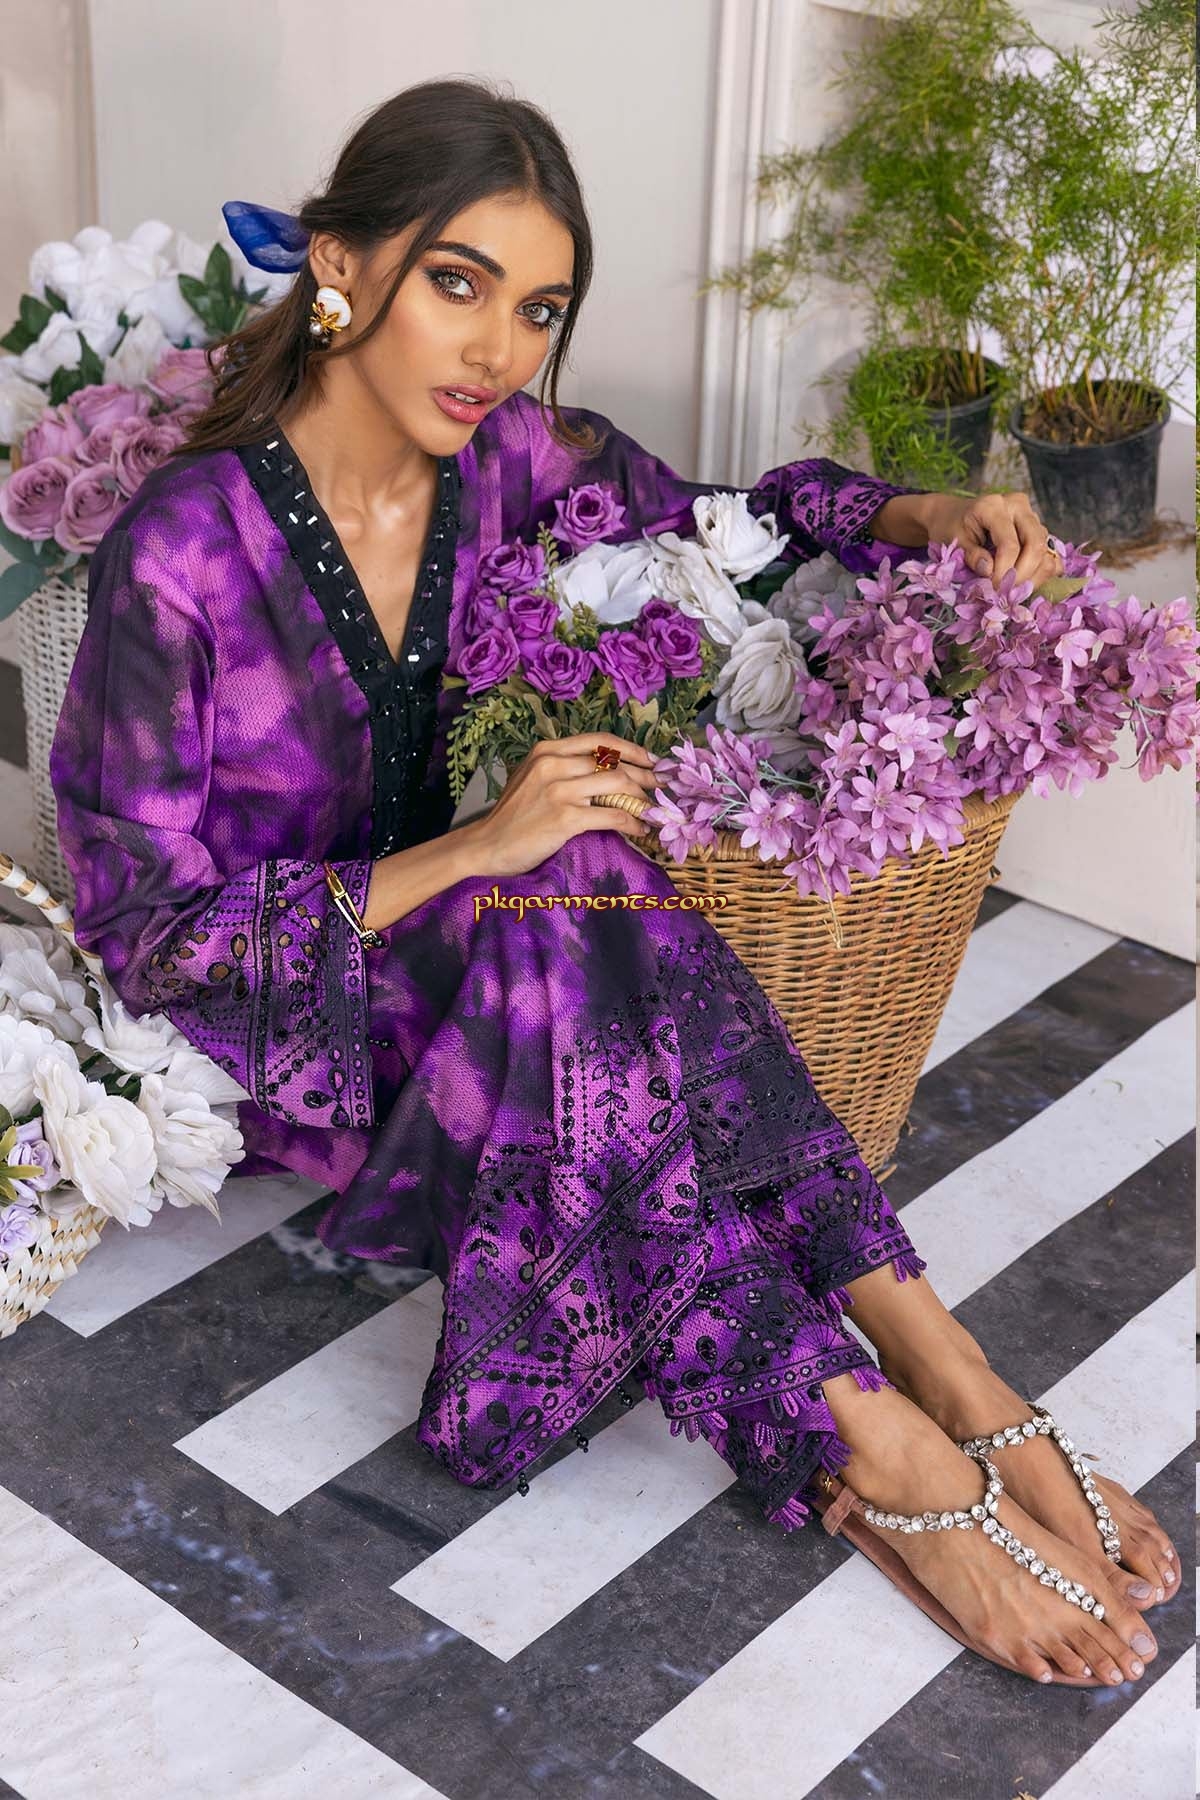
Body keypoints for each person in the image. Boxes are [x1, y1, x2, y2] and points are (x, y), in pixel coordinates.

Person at [49, 77, 1175, 1691]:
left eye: (539, 308)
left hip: (493, 972)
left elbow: (739, 520)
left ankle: (943, 1370)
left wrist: (924, 512)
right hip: (293, 1020)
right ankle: (873, 1433)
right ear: (339, 267)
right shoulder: (181, 553)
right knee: (559, 875)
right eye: (459, 283)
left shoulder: (508, 460)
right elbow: (145, 933)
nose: (499, 349)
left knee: (574, 878)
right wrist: (473, 849)